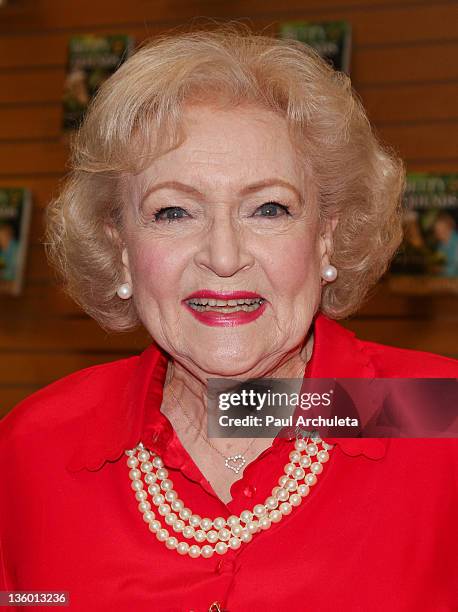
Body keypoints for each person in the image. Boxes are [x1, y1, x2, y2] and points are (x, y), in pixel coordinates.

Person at [1, 25, 457, 612]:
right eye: (173, 212)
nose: (222, 256)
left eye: (268, 208)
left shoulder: (438, 420)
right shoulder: (33, 449)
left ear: (326, 237)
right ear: (121, 249)